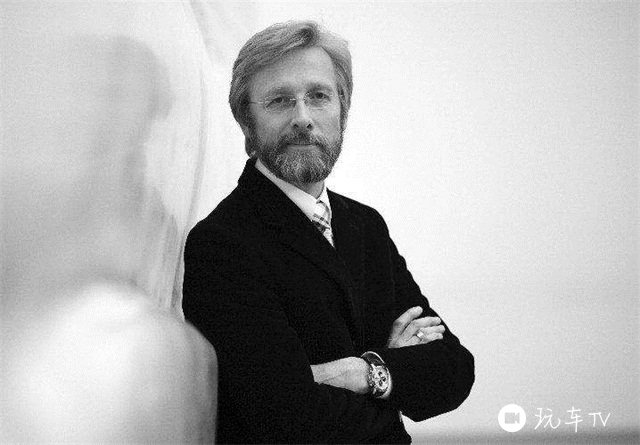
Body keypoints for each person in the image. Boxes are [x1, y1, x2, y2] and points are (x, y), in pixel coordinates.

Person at [183, 20, 474, 444]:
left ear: (342, 110)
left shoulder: (366, 226)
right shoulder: (222, 244)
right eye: (280, 100)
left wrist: (363, 371)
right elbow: (287, 420)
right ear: (247, 122)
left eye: (319, 96)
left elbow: (454, 371)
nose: (303, 118)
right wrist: (394, 376)